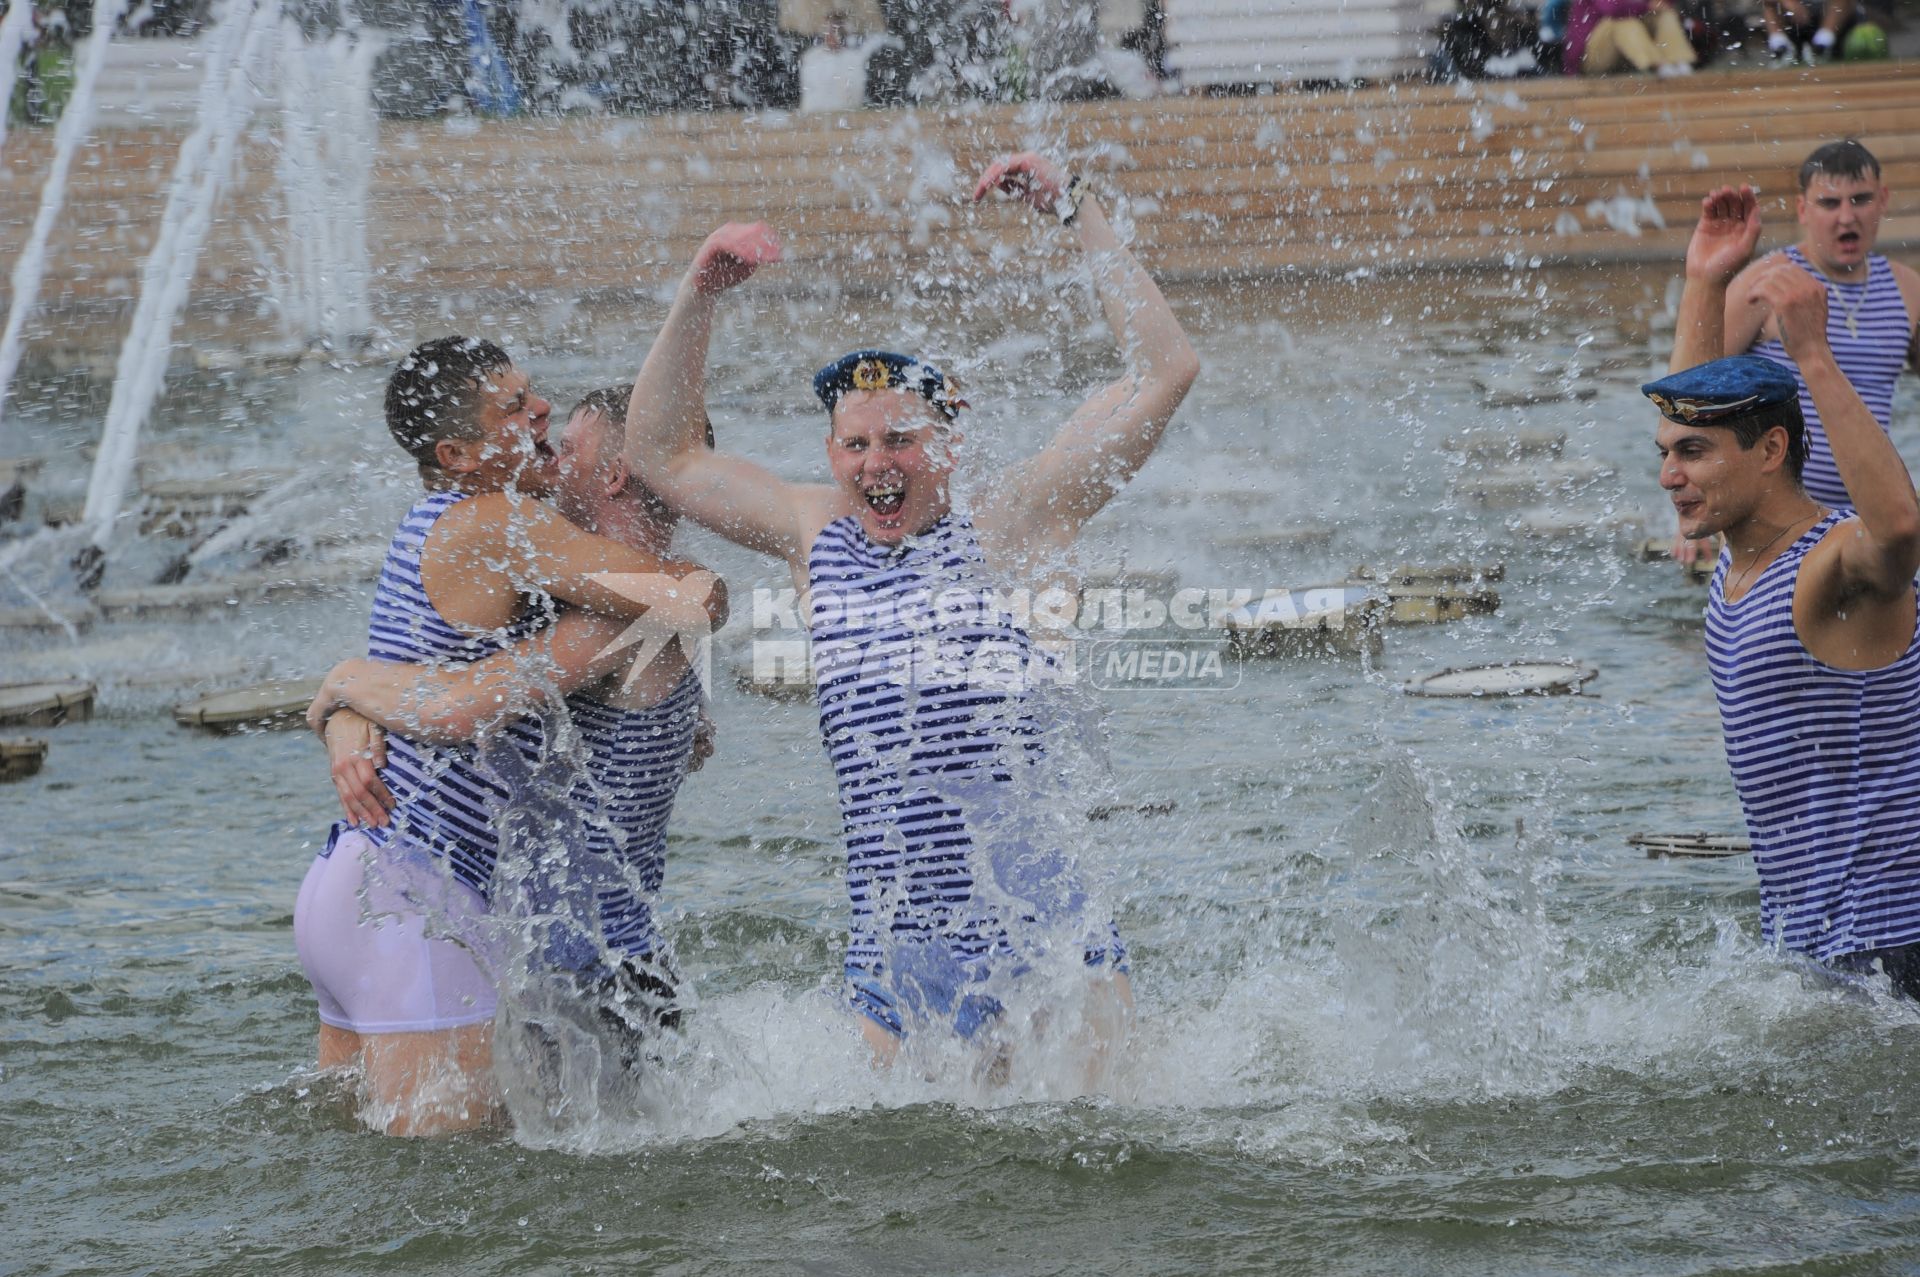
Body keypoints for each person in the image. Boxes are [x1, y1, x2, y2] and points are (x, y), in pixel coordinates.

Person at [618, 153, 1199, 1076]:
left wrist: (1074, 208)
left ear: (949, 443)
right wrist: (701, 292)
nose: (876, 462)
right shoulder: (817, 534)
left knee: (1086, 1187)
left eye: (901, 439)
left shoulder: (1012, 524)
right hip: (896, 947)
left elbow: (1167, 371)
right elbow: (660, 455)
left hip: (1040, 932)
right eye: (856, 444)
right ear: (831, 450)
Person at [295, 335, 728, 1137]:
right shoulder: (499, 524)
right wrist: (348, 691)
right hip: (423, 902)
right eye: (518, 408)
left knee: (340, 1158)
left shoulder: (449, 530)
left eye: (540, 403)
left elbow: (432, 685)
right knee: (449, 1200)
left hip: (353, 881)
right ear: (457, 453)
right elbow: (690, 594)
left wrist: (349, 694)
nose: (541, 416)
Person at [1650, 183, 1920, 1001]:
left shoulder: (1829, 565)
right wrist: (1705, 281)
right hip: (1811, 959)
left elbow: (1903, 530)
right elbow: (1694, 402)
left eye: (1692, 454)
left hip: (1894, 955)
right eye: (1667, 451)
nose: (1668, 476)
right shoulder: (1738, 563)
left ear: (1771, 451)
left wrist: (1811, 355)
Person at [1561, 0, 1696, 74]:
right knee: (1622, 21)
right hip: (1590, 58)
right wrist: (1647, 6)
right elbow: (1611, 9)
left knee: (1665, 15)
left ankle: (1679, 61)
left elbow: (1664, 4)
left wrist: (1655, 6)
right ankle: (1658, 65)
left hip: (1622, 56)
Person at [1759, 0, 1854, 61]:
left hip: (1828, 17)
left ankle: (1822, 45)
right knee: (1769, 4)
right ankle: (1780, 48)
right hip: (1793, 19)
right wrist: (1787, 2)